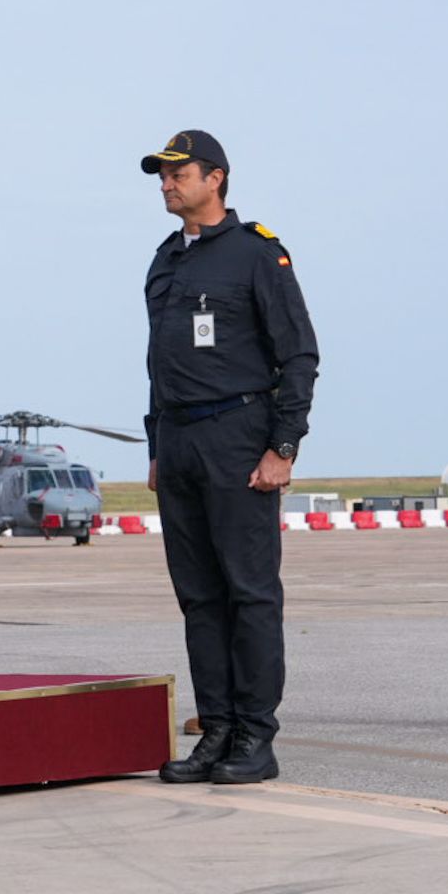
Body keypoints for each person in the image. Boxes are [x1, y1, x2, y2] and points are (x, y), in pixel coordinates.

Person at [142, 130, 319, 786]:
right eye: (161, 174)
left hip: (238, 435)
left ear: (215, 178)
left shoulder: (255, 255)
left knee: (249, 592)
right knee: (199, 596)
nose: (165, 183)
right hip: (181, 442)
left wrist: (283, 445)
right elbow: (158, 364)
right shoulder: (165, 260)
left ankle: (255, 734)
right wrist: (158, 443)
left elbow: (298, 353)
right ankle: (214, 729)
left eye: (176, 172)